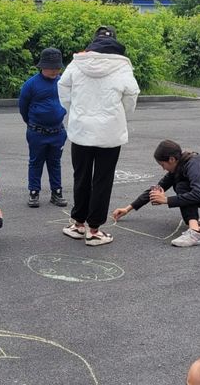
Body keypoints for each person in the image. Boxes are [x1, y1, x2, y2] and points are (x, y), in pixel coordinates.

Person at [58, 25, 139, 246]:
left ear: (94, 41)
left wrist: (74, 110)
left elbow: (63, 86)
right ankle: (94, 230)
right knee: (103, 179)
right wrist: (121, 114)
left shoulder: (78, 61)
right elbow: (132, 93)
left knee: (81, 176)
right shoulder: (122, 65)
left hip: (81, 129)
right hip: (110, 132)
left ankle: (78, 223)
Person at [112, 139, 200, 248]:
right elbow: (156, 189)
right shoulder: (180, 165)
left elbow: (198, 195)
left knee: (183, 186)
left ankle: (196, 233)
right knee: (183, 184)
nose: (163, 169)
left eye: (162, 165)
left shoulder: (194, 163)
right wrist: (127, 208)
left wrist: (166, 200)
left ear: (172, 159)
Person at [18, 47, 67, 208]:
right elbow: (23, 107)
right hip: (37, 131)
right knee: (36, 162)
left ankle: (56, 192)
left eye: (57, 68)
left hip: (57, 131)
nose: (54, 71)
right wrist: (31, 122)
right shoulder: (31, 84)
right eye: (51, 68)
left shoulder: (63, 83)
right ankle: (34, 192)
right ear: (42, 66)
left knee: (55, 163)